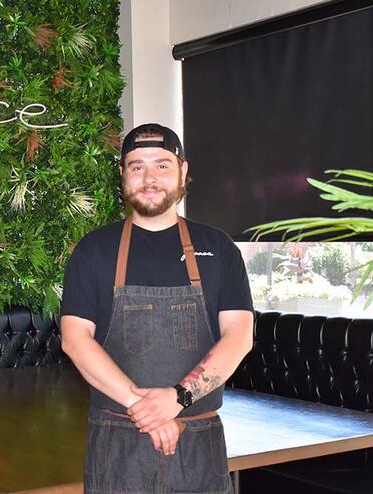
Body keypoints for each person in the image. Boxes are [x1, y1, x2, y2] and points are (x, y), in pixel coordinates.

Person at [60, 123, 254, 494]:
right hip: (117, 442)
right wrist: (146, 408)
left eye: (162, 165)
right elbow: (75, 340)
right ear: (122, 175)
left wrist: (177, 398)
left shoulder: (219, 248)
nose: (149, 177)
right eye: (137, 166)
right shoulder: (94, 251)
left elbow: (239, 336)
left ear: (183, 171)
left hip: (198, 442)